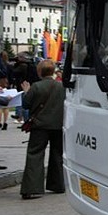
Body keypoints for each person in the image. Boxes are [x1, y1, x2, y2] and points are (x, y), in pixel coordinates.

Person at [20, 59, 65, 199]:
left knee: (35, 154)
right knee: (57, 154)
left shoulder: (36, 87)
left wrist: (26, 92)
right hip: (58, 125)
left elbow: (26, 105)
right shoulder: (61, 86)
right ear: (52, 71)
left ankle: (32, 188)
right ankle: (58, 184)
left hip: (40, 126)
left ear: (39, 72)